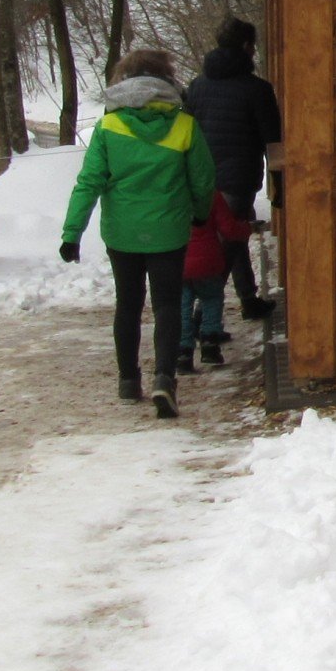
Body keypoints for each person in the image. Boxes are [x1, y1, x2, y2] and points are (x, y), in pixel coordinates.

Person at [61, 48, 216, 418]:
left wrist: (72, 232)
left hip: (122, 233)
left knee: (127, 304)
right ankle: (165, 377)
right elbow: (204, 179)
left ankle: (129, 379)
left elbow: (89, 183)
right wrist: (199, 214)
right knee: (166, 304)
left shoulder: (108, 127)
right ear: (166, 80)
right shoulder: (184, 125)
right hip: (169, 230)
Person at [183, 16, 281, 326]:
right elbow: (273, 141)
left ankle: (248, 299)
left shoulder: (196, 86)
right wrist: (280, 183)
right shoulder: (257, 89)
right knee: (229, 242)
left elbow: (186, 133)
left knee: (232, 236)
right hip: (238, 178)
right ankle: (202, 314)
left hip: (201, 177)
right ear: (247, 46)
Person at [181, 193, 253, 371]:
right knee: (212, 300)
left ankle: (183, 352)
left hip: (179, 263)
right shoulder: (211, 196)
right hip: (208, 262)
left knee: (182, 306)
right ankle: (210, 344)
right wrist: (245, 229)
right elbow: (228, 229)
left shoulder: (171, 195)